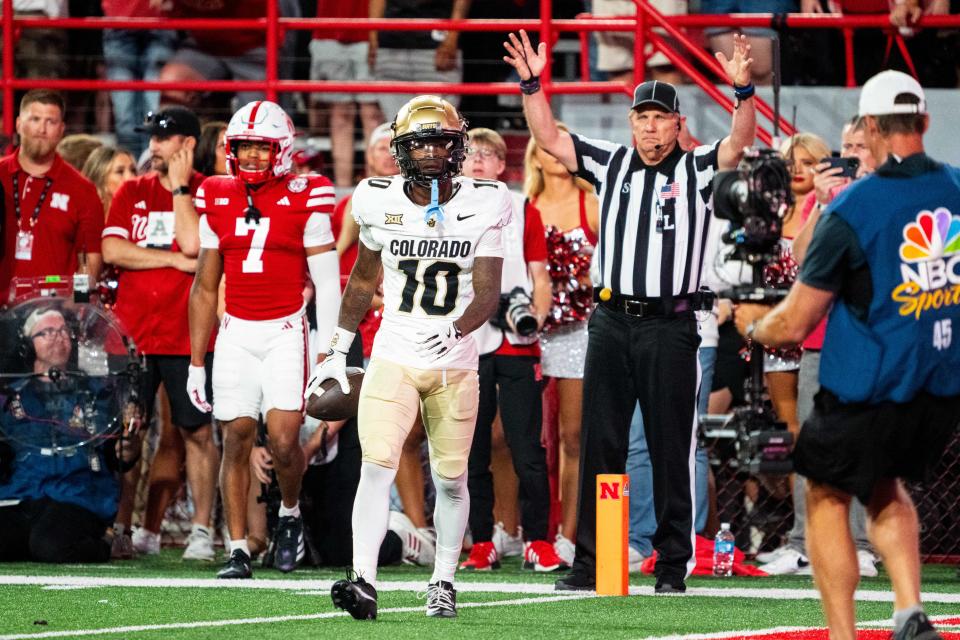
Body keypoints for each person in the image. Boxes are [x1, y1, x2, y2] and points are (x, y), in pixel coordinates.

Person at [504, 29, 756, 593]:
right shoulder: (611, 163)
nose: (649, 126)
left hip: (671, 323)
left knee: (670, 445)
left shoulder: (696, 169)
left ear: (676, 123)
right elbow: (548, 137)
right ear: (631, 123)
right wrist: (531, 83)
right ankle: (593, 562)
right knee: (602, 443)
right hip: (612, 322)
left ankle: (671, 565)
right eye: (641, 116)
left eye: (659, 118)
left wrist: (743, 92)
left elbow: (738, 144)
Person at [734, 70, 960, 640]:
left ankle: (842, 634)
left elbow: (798, 319)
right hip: (939, 387)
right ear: (925, 122)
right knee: (886, 486)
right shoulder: (957, 188)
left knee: (826, 493)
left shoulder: (854, 207)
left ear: (870, 128)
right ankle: (909, 608)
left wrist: (753, 325)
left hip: (868, 384)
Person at [308, 95, 508, 620]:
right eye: (419, 142)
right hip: (392, 352)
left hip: (455, 360)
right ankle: (364, 581)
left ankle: (443, 579)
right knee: (376, 467)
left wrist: (456, 328)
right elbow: (361, 281)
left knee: (450, 478)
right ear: (401, 149)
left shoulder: (486, 201)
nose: (430, 152)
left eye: (440, 140)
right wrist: (335, 349)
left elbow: (488, 293)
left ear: (457, 145)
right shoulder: (376, 199)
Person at [187, 100, 340, 579]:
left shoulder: (308, 192)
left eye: (261, 147)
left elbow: (329, 281)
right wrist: (196, 360)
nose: (252, 156)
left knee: (284, 439)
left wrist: (329, 355)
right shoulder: (215, 192)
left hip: (286, 329)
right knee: (234, 435)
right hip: (236, 331)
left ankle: (289, 514)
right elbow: (205, 285)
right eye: (244, 147)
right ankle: (237, 547)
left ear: (283, 149)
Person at [758, 115, 882, 577]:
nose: (851, 153)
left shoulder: (885, 195)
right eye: (845, 145)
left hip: (868, 337)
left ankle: (863, 544)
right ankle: (803, 541)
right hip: (818, 337)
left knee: (861, 442)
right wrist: (826, 205)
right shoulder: (822, 199)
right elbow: (800, 256)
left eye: (860, 145)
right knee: (811, 442)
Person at [101, 106, 219, 562]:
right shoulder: (131, 190)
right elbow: (113, 249)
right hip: (131, 336)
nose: (152, 147)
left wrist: (181, 189)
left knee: (196, 433)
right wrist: (170, 261)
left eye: (162, 139)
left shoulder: (209, 191)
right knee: (127, 433)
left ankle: (201, 530)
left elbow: (194, 244)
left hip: (186, 336)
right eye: (150, 138)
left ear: (187, 144)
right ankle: (122, 527)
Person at [459, 127, 559, 572]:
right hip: (468, 342)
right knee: (472, 447)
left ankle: (539, 538)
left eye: (488, 154)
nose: (478, 160)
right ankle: (482, 540)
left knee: (527, 448)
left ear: (504, 164)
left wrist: (534, 318)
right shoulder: (447, 210)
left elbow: (541, 278)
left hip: (517, 342)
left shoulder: (524, 209)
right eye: (471, 153)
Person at [0, 308, 139, 563]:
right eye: (47, 331)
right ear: (27, 346)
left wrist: (128, 446)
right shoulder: (8, 397)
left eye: (63, 330)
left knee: (50, 546)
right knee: (34, 541)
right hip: (21, 494)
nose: (58, 337)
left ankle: (105, 543)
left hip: (77, 495)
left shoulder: (97, 393)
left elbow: (120, 454)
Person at [523, 125, 600, 565]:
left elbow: (608, 267)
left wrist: (587, 280)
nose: (555, 154)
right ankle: (517, 530)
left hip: (579, 331)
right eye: (549, 146)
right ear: (535, 155)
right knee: (522, 437)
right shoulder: (522, 207)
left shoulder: (590, 202)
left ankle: (568, 534)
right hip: (528, 334)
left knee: (572, 437)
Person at [0, 90, 104, 298]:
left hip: (52, 316)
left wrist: (76, 307)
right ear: (19, 124)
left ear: (62, 129)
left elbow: (89, 259)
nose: (42, 129)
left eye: (51, 121)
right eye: (35, 119)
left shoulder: (82, 189)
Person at [310, 0, 383, 187]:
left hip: (371, 34)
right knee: (340, 114)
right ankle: (342, 190)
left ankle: (376, 186)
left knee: (372, 114)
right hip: (329, 30)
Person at [369, 0, 471, 123]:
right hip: (391, 45)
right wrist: (374, 38)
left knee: (437, 127)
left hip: (435, 47)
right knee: (397, 126)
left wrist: (451, 38)